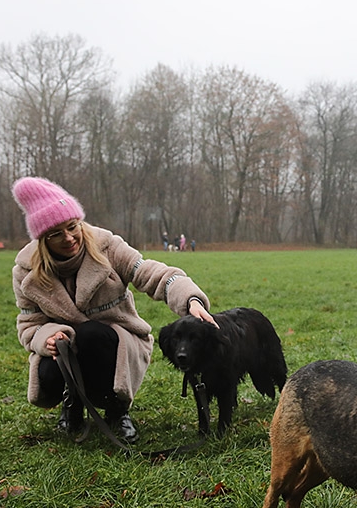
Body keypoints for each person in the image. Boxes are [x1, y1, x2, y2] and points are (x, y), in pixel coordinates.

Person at [11, 177, 217, 443]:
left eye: (72, 226)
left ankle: (117, 410)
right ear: (42, 239)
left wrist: (191, 300)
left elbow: (152, 273)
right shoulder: (25, 272)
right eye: (56, 233)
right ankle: (72, 402)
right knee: (55, 358)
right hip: (66, 351)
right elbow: (29, 325)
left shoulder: (108, 247)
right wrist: (47, 337)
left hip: (115, 342)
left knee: (91, 334)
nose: (69, 237)